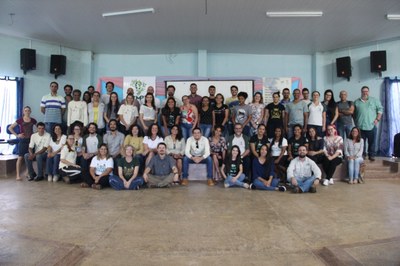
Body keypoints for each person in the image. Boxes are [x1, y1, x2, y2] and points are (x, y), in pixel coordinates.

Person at [353, 86, 383, 161]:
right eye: (363, 91)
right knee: (361, 142)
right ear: (361, 92)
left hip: (371, 126)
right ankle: (362, 155)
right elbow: (353, 113)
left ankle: (371, 155)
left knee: (372, 142)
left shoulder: (374, 100)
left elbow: (380, 110)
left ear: (368, 92)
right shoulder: (356, 102)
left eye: (366, 91)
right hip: (360, 126)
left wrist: (377, 119)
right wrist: (356, 122)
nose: (365, 92)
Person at [8, 106, 37, 181]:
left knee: (30, 157)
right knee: (20, 158)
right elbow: (10, 128)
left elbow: (38, 129)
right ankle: (18, 175)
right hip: (23, 140)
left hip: (31, 141)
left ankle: (27, 173)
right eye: (25, 110)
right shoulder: (20, 120)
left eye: (28, 110)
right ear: (23, 112)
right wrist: (17, 135)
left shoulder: (33, 120)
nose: (27, 112)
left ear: (30, 112)